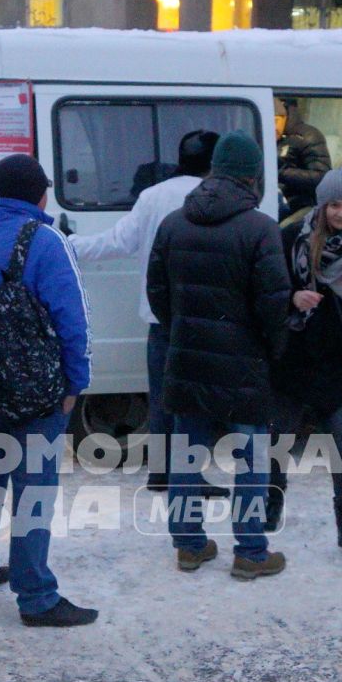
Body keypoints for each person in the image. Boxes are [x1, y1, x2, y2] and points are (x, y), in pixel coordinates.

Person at [0, 154, 99, 629]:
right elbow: (74, 321)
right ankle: (35, 596)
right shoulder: (48, 242)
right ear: (41, 194)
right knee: (35, 489)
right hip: (39, 391)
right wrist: (75, 384)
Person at [148, 130, 291, 579]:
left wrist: (181, 333)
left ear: (214, 171)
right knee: (249, 455)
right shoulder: (261, 228)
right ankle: (250, 551)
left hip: (186, 357)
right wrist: (272, 351)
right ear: (252, 176)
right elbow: (275, 302)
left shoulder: (173, 223)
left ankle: (189, 545)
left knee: (186, 452)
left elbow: (157, 293)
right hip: (244, 363)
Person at [72, 128, 218, 490]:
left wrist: (69, 244)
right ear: (214, 165)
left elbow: (118, 241)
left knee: (163, 397)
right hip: (202, 320)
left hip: (159, 319)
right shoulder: (214, 197)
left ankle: (161, 472)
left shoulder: (152, 196)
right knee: (194, 404)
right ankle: (189, 476)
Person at [271, 168, 342, 553]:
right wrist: (293, 298)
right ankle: (273, 499)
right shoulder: (292, 238)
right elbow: (269, 289)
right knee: (280, 436)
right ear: (322, 204)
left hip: (339, 359)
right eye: (335, 204)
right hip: (297, 355)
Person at [275, 98, 331, 215]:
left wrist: (281, 172)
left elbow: (323, 177)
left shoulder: (308, 136)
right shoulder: (260, 134)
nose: (273, 127)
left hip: (300, 206)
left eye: (275, 121)